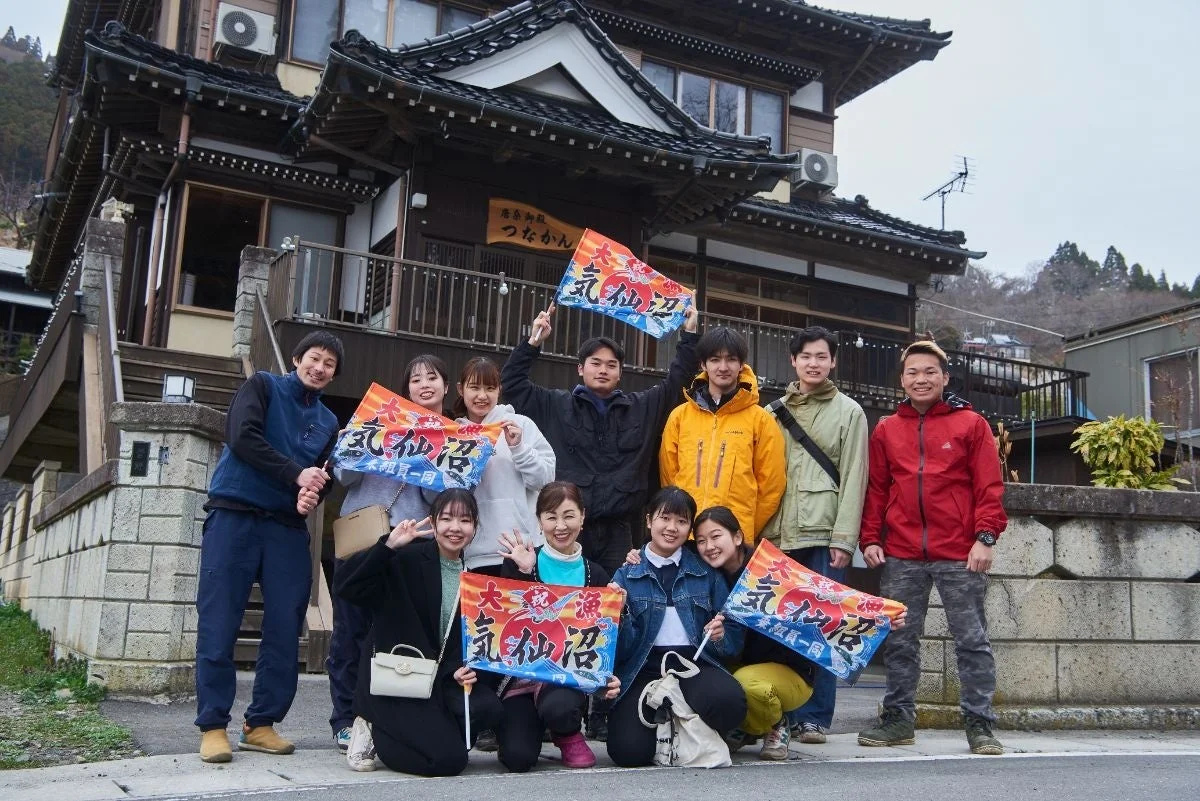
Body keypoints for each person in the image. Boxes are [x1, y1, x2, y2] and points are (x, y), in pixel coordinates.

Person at [195, 331, 344, 764]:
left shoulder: (329, 422)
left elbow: (320, 476)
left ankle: (260, 723)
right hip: (234, 514)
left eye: (329, 364)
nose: (319, 368)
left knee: (285, 625)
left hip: (286, 527)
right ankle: (213, 724)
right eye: (314, 358)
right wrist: (295, 474)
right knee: (219, 619)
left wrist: (311, 493)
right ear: (297, 358)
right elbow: (241, 437)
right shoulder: (262, 385)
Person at [857, 340, 1007, 756]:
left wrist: (985, 537)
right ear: (902, 379)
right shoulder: (887, 429)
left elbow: (989, 487)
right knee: (899, 640)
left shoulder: (971, 424)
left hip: (960, 551)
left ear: (945, 377)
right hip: (902, 551)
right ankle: (898, 720)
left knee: (971, 640)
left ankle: (980, 724)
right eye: (912, 372)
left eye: (929, 372)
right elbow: (877, 489)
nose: (920, 379)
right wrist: (870, 538)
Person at [500, 304, 700, 575]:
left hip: (619, 530)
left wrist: (689, 335)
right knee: (565, 594)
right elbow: (513, 385)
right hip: (568, 527)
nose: (603, 370)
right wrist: (533, 342)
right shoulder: (556, 405)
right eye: (595, 363)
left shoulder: (640, 408)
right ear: (580, 369)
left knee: (616, 595)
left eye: (611, 365)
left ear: (620, 373)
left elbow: (677, 384)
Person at [333, 489, 503, 776]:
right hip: (397, 677)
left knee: (488, 708)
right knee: (449, 761)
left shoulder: (474, 577)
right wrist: (388, 546)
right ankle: (373, 726)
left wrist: (457, 671)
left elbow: (459, 641)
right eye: (446, 519)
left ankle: (425, 733)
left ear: (475, 526)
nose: (455, 528)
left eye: (464, 520)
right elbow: (347, 587)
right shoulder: (406, 558)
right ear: (433, 523)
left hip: (438, 680)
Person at [327, 355, 449, 751]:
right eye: (416, 379)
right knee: (350, 630)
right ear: (406, 388)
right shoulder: (379, 420)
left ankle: (390, 718)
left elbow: (436, 498)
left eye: (432, 378)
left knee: (398, 632)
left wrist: (426, 456)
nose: (424, 385)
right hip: (362, 539)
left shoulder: (450, 437)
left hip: (412, 544)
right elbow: (344, 477)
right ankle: (345, 717)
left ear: (446, 387)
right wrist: (357, 442)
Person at [760, 325, 869, 744]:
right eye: (805, 356)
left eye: (821, 356)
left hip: (824, 534)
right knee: (778, 626)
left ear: (833, 361)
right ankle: (778, 715)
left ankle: (815, 717)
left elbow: (856, 475)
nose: (813, 363)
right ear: (793, 360)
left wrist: (845, 539)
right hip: (777, 534)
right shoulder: (771, 412)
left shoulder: (850, 412)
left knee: (823, 627)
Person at [606, 487, 746, 767]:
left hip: (694, 666)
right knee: (628, 752)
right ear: (649, 520)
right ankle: (671, 719)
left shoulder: (705, 571)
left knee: (731, 703)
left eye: (681, 521)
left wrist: (719, 636)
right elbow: (619, 651)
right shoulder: (627, 573)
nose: (672, 528)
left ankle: (681, 713)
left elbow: (733, 637)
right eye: (665, 518)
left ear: (689, 529)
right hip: (642, 670)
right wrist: (619, 614)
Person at [493, 481, 620, 771]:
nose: (560, 526)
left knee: (559, 708)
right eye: (551, 517)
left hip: (565, 679)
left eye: (569, 515)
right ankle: (525, 730)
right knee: (517, 758)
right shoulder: (521, 561)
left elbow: (601, 640)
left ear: (582, 517)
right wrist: (525, 572)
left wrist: (617, 609)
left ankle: (566, 731)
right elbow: (505, 620)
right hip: (520, 679)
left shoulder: (595, 574)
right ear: (539, 521)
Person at [658, 327, 785, 541]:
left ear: (741, 365)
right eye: (715, 360)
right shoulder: (680, 416)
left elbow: (771, 486)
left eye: (731, 359)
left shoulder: (761, 420)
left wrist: (742, 527)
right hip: (686, 537)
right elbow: (669, 477)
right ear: (703, 364)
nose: (723, 367)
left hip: (734, 540)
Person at [455, 357, 555, 575]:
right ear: (461, 390)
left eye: (490, 388)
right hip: (474, 555)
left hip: (523, 552)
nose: (482, 395)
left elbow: (546, 480)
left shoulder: (521, 424)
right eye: (474, 387)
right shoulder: (454, 434)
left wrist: (518, 448)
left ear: (499, 390)